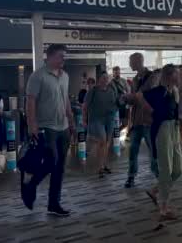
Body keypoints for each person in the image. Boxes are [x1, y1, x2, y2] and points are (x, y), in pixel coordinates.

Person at [22, 44, 74, 217]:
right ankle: (31, 185)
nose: (63, 59)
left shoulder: (65, 76)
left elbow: (65, 99)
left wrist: (71, 120)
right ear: (49, 57)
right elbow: (30, 102)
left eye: (64, 56)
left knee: (60, 167)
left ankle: (54, 204)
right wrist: (32, 125)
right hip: (46, 127)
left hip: (63, 126)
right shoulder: (38, 76)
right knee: (52, 162)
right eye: (60, 56)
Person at [140, 64, 182, 221]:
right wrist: (151, 112)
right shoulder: (159, 91)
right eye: (178, 75)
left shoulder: (175, 91)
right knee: (166, 169)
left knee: (178, 170)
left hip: (174, 128)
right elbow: (141, 96)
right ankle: (163, 208)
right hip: (162, 129)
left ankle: (155, 191)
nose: (181, 77)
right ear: (170, 76)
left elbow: (175, 111)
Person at [123, 52, 157, 188]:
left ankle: (159, 175)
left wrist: (130, 96)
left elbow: (143, 94)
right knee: (132, 151)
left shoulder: (153, 77)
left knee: (153, 151)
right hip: (137, 122)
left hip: (149, 120)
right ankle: (131, 177)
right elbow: (135, 99)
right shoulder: (135, 79)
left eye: (131, 62)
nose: (130, 64)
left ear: (138, 61)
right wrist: (128, 99)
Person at [83, 71, 118, 178]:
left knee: (107, 142)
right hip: (97, 119)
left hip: (110, 119)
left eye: (106, 78)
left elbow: (115, 103)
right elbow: (85, 106)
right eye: (103, 78)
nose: (105, 80)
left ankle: (104, 164)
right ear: (99, 79)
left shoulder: (111, 90)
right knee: (102, 140)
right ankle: (100, 168)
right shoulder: (93, 91)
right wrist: (84, 120)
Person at [110, 66, 130, 130]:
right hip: (114, 105)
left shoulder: (123, 81)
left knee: (125, 123)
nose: (117, 74)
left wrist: (125, 97)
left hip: (123, 105)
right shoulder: (110, 83)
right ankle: (115, 136)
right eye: (115, 73)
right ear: (113, 73)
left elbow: (128, 91)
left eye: (118, 73)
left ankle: (116, 133)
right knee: (115, 123)